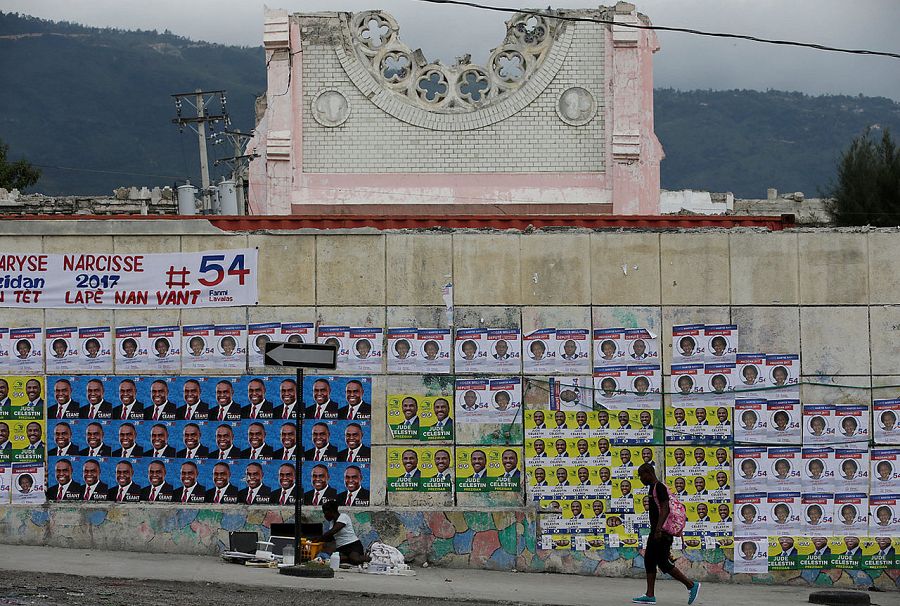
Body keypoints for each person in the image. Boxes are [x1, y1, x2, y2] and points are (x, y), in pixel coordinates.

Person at [633, 463, 700, 605]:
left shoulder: (659, 487)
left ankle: (691, 585)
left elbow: (665, 509)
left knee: (662, 563)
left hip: (661, 532)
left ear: (648, 473)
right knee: (649, 560)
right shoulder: (652, 488)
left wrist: (658, 529)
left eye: (641, 475)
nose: (640, 479)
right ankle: (650, 595)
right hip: (657, 532)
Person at [313, 501, 369, 565]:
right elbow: (331, 537)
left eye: (325, 513)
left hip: (352, 545)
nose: (325, 516)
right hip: (341, 548)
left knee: (355, 560)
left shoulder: (343, 517)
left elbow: (333, 531)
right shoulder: (331, 523)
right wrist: (317, 540)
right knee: (334, 559)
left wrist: (319, 539)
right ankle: (348, 557)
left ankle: (372, 558)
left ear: (331, 511)